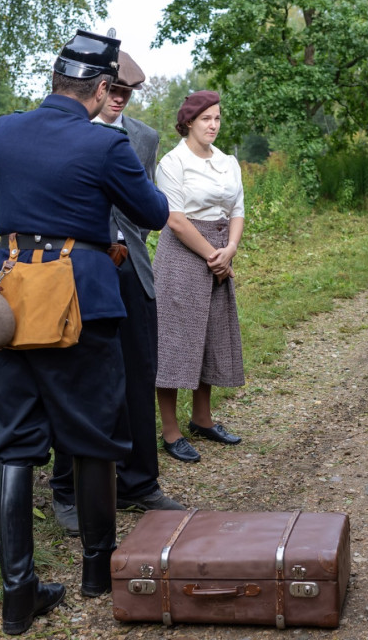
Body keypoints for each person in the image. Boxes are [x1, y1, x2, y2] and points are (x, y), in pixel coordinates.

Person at [0, 29, 169, 632]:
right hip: (80, 300)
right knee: (90, 437)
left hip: (10, 296)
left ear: (55, 81)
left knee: (12, 447)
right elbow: (153, 213)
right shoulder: (104, 145)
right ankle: (96, 568)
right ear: (102, 90)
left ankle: (18, 593)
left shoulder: (4, 132)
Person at [50, 50, 184, 537]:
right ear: (99, 87)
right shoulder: (65, 130)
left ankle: (139, 482)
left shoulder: (143, 137)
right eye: (114, 90)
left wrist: (127, 249)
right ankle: (66, 488)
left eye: (128, 94)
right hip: (77, 270)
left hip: (130, 267)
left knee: (137, 374)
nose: (118, 100)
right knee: (77, 378)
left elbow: (146, 207)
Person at [153, 90, 246, 463]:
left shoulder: (227, 162)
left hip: (220, 253)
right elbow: (174, 219)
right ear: (189, 121)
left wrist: (231, 250)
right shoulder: (172, 163)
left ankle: (202, 418)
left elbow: (237, 209)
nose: (213, 125)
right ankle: (171, 430)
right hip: (183, 256)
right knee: (176, 342)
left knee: (209, 336)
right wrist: (213, 256)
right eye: (206, 118)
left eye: (218, 118)